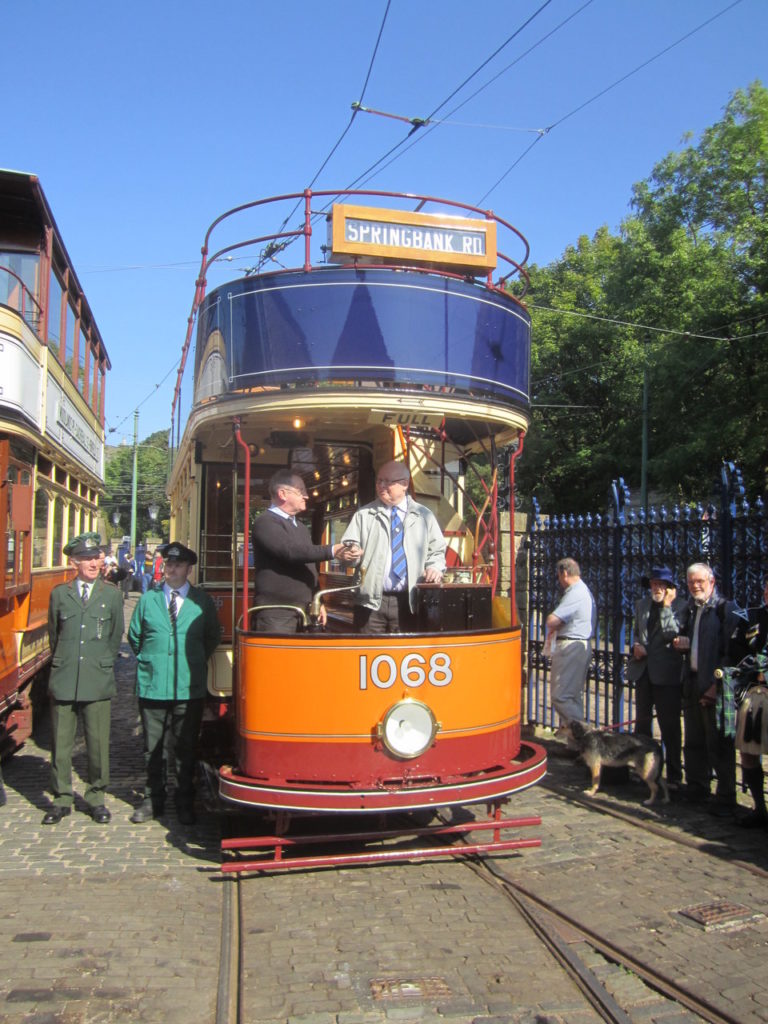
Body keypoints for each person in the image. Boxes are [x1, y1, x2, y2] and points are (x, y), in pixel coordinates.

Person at [127, 542, 222, 825]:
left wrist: (191, 659)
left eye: (178, 565)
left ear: (188, 569)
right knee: (152, 748)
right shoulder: (148, 600)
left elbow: (211, 637)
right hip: (153, 685)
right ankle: (151, 800)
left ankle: (184, 802)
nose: (172, 569)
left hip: (187, 686)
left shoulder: (201, 602)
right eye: (168, 564)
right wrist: (152, 660)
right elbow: (135, 637)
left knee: (185, 748)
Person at [42, 533, 124, 825]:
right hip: (65, 677)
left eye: (96, 557)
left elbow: (115, 637)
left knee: (98, 743)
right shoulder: (59, 594)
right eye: (87, 558)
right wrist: (65, 662)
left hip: (97, 677)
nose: (93, 563)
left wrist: (102, 662)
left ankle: (96, 798)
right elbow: (55, 635)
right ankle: (62, 798)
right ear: (74, 562)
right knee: (61, 744)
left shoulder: (112, 595)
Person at [340, 460, 446, 633]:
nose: (381, 486)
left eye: (387, 481)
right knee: (368, 655)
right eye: (379, 481)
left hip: (410, 602)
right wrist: (349, 555)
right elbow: (348, 550)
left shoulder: (424, 515)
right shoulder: (364, 515)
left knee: (405, 656)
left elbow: (437, 550)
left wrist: (434, 567)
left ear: (404, 484)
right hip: (370, 604)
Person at [251, 469, 359, 633]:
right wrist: (332, 550)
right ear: (283, 494)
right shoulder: (265, 522)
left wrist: (319, 601)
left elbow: (309, 567)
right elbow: (290, 552)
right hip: (277, 613)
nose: (306, 496)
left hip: (306, 611)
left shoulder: (300, 527)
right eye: (301, 491)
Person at [675, 562, 745, 815]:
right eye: (691, 582)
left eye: (700, 582)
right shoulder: (691, 610)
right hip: (692, 681)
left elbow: (732, 653)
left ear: (711, 582)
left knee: (719, 743)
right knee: (693, 740)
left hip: (716, 687)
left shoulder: (725, 610)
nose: (695, 586)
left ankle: (726, 796)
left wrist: (717, 686)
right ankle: (697, 785)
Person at [628, 566, 688, 789]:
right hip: (643, 671)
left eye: (661, 585)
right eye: (654, 584)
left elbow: (672, 633)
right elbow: (636, 631)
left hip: (667, 675)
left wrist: (666, 607)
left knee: (669, 726)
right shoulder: (642, 605)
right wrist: (635, 645)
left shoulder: (681, 607)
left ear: (670, 588)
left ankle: (674, 774)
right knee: (642, 724)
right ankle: (642, 769)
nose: (657, 588)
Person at [544, 557, 596, 724]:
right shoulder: (582, 591)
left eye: (559, 576)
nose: (559, 581)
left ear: (564, 573)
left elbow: (552, 620)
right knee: (572, 696)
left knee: (561, 696)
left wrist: (551, 620)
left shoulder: (576, 592)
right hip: (578, 644)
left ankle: (581, 735)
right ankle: (575, 743)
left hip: (570, 647)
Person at [734, 575, 768, 827]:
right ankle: (759, 808)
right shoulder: (752, 618)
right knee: (748, 752)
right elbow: (737, 651)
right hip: (756, 694)